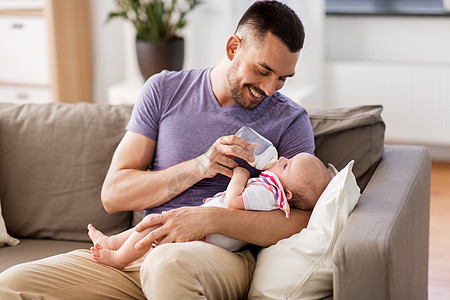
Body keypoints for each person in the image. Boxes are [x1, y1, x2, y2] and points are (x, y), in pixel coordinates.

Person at [0, 1, 316, 299]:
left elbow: (303, 220)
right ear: (233, 48)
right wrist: (199, 167)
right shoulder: (164, 90)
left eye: (283, 78)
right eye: (263, 71)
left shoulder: (290, 119)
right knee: (11, 285)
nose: (270, 89)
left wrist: (210, 220)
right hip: (139, 251)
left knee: (166, 266)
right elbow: (114, 194)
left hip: (217, 257)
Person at [87, 153, 331, 270]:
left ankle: (118, 258)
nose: (282, 158)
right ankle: (111, 242)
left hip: (208, 237)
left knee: (152, 226)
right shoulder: (274, 194)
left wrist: (241, 174)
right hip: (206, 235)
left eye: (286, 165)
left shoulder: (270, 193)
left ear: (287, 194)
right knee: (151, 226)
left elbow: (235, 201)